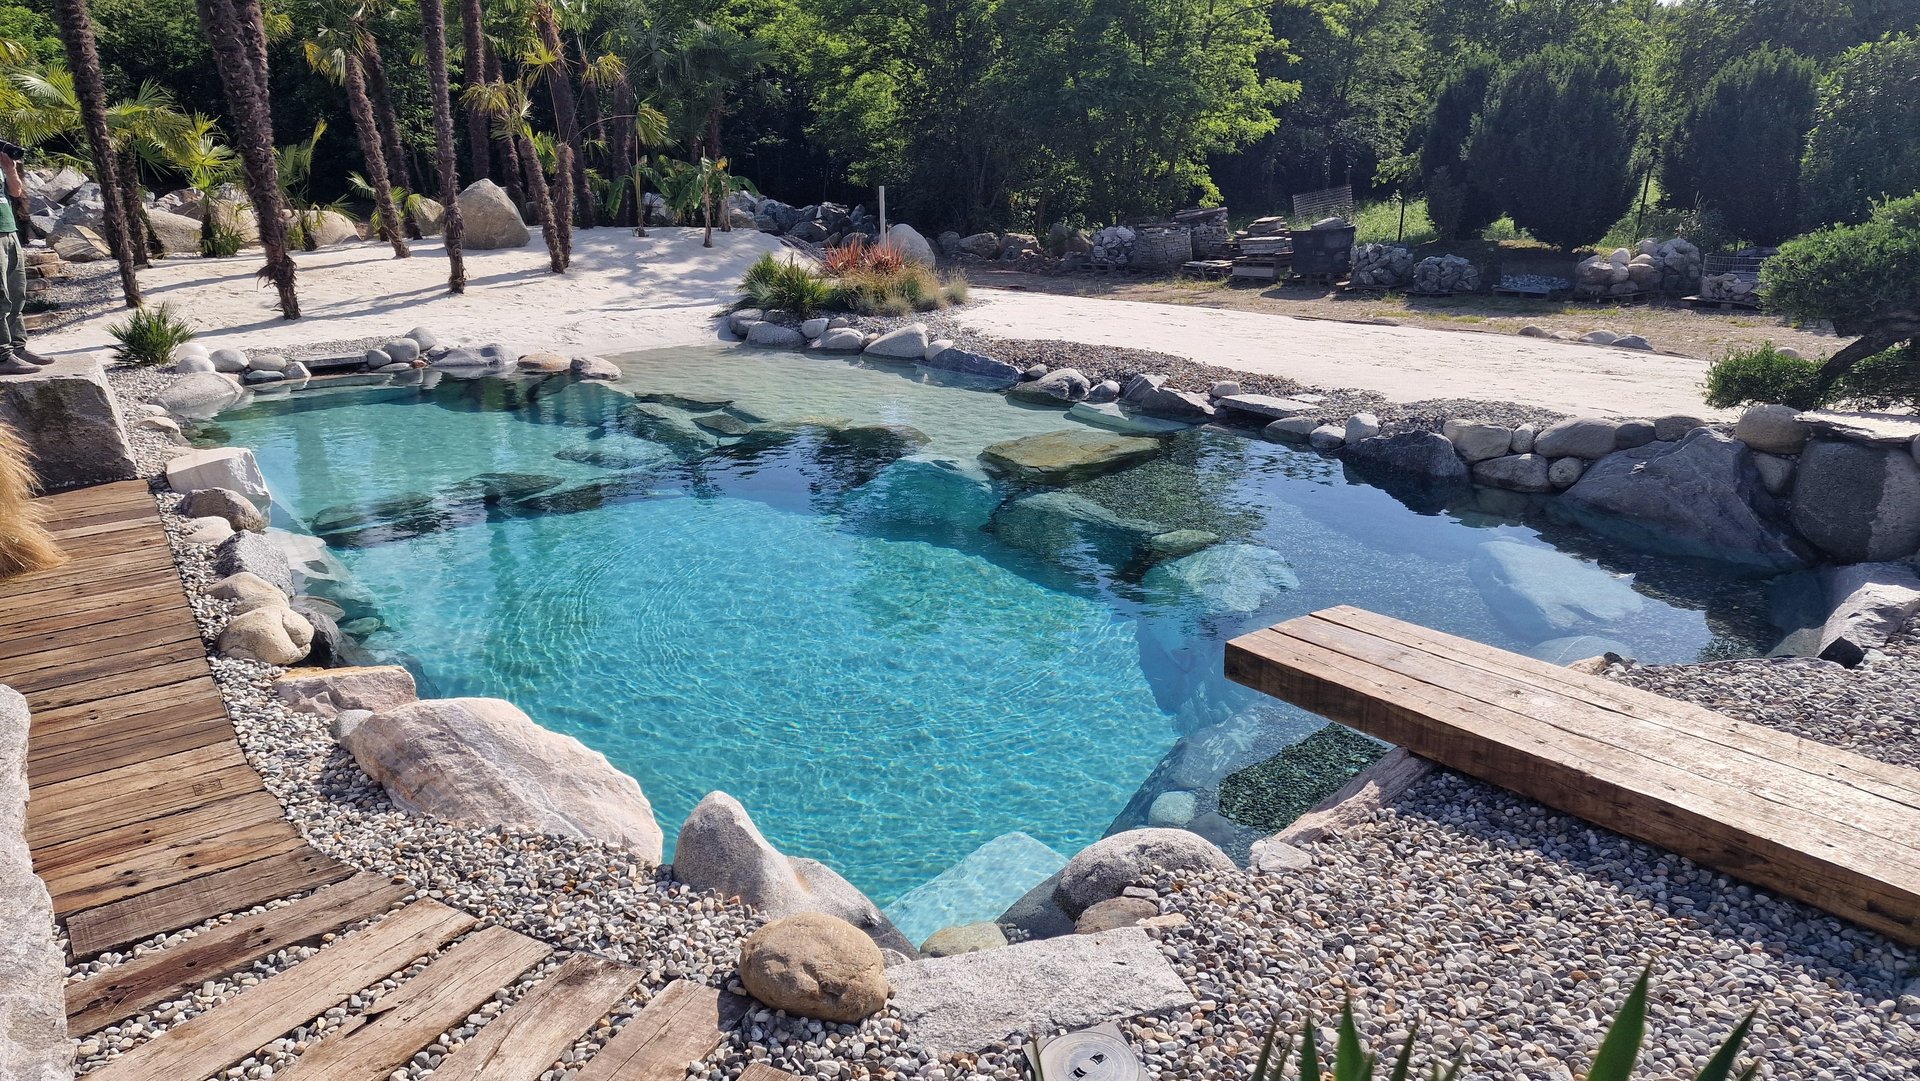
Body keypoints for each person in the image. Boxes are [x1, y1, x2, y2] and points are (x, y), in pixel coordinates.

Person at [0, 146, 52, 376]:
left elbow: (15, 191)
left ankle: (17, 348)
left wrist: (9, 169)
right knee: (0, 296)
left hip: (9, 232)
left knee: (16, 292)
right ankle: (2, 356)